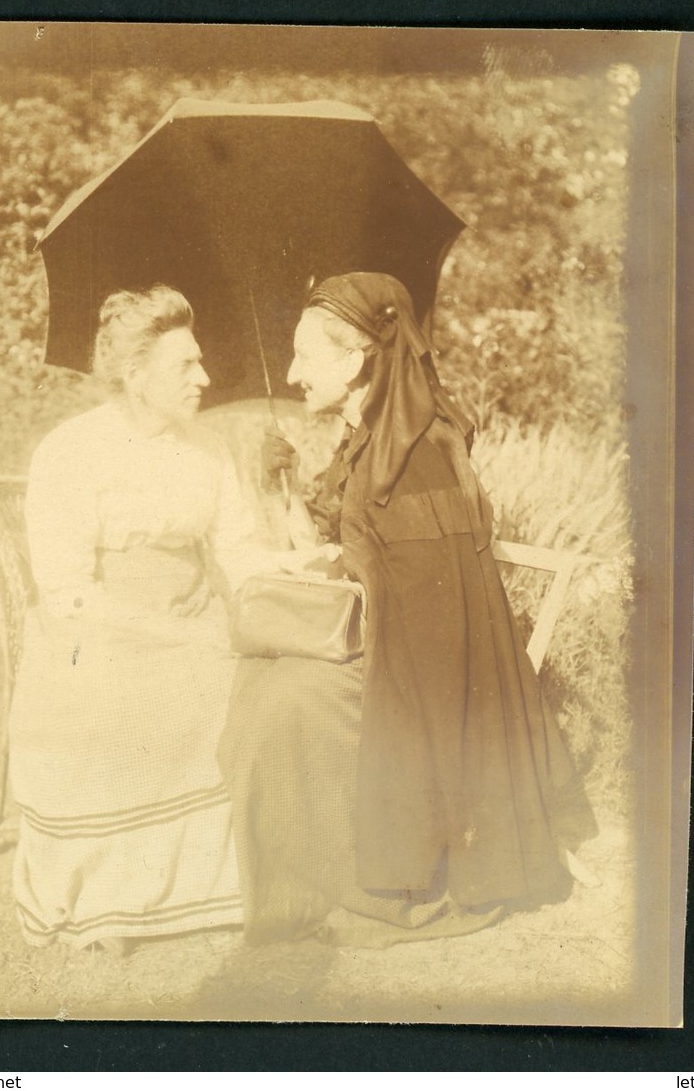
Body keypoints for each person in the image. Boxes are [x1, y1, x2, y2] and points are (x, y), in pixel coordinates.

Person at [219, 272, 598, 947]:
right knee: (261, 678)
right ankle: (285, 879)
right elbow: (358, 541)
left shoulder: (421, 450)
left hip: (429, 670)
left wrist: (342, 574)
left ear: (358, 359)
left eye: (307, 355)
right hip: (392, 637)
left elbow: (435, 602)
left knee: (290, 699)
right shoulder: (369, 435)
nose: (292, 371)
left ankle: (364, 885)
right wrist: (283, 489)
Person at [9, 284, 269, 953]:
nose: (205, 378)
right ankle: (114, 899)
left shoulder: (208, 446)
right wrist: (169, 630)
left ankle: (235, 883)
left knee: (263, 679)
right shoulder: (72, 450)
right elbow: (66, 590)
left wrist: (278, 591)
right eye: (186, 366)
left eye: (200, 362)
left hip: (195, 618)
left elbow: (238, 552)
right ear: (134, 374)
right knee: (122, 690)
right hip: (96, 631)